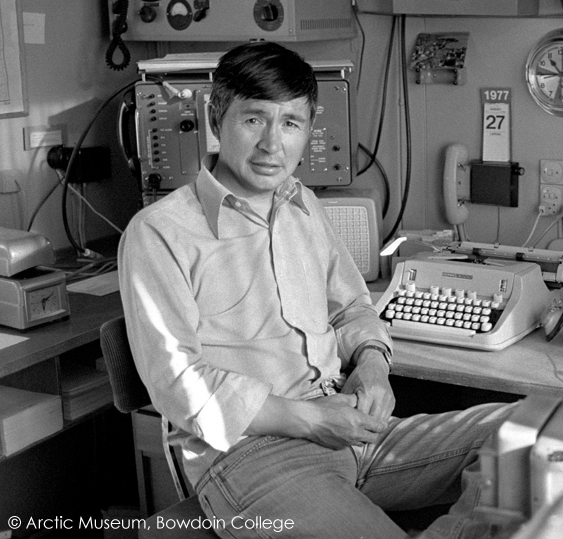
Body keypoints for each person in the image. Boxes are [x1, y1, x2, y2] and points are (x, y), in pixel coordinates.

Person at [118, 41, 518, 538]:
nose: (272, 144)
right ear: (216, 119)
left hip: (352, 427)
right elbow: (184, 387)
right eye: (253, 119)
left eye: (291, 124)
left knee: (529, 435)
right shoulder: (160, 233)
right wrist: (311, 421)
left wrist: (373, 367)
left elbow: (352, 307)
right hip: (253, 455)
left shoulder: (301, 203)